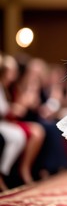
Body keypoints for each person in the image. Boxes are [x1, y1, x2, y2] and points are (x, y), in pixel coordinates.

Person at [0, 54, 45, 184]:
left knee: (40, 130)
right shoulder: (13, 85)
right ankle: (8, 173)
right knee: (20, 135)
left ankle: (24, 170)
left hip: (10, 120)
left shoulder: (7, 86)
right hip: (8, 121)